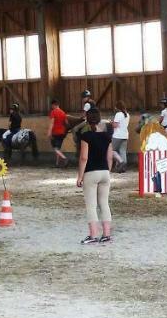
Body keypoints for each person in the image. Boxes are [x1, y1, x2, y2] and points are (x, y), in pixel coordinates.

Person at [76, 107, 114, 245]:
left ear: (87, 119)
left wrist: (80, 176)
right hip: (105, 172)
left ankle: (93, 235)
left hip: (91, 173)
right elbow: (110, 157)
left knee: (91, 205)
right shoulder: (106, 136)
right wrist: (107, 172)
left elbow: (84, 158)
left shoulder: (86, 136)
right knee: (104, 204)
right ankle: (107, 235)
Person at [48, 99, 69, 168]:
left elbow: (52, 123)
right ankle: (57, 164)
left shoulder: (53, 112)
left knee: (55, 149)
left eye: (52, 105)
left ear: (53, 105)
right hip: (62, 133)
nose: (51, 107)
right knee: (58, 148)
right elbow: (66, 123)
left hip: (55, 132)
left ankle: (64, 158)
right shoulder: (63, 112)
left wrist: (49, 132)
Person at [110, 103, 130, 172]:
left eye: (115, 108)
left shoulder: (118, 114)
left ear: (117, 108)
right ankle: (123, 168)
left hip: (117, 135)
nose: (115, 109)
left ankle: (121, 162)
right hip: (125, 135)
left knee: (110, 150)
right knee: (123, 152)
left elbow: (115, 125)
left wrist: (111, 122)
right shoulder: (127, 114)